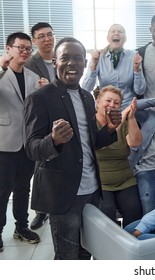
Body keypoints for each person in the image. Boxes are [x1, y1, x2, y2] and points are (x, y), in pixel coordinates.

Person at [24, 37, 121, 260]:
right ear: (54, 62)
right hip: (63, 194)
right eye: (65, 58)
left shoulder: (87, 97)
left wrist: (110, 129)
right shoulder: (39, 98)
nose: (72, 63)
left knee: (88, 251)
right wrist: (54, 140)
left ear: (85, 63)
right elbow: (31, 149)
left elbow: (90, 143)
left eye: (78, 58)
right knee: (67, 256)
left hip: (92, 190)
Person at [0, 32, 43, 253]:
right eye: (20, 47)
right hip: (5, 143)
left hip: (28, 143)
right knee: (2, 189)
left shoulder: (33, 77)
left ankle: (22, 227)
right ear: (9, 49)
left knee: (23, 189)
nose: (25, 51)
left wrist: (46, 89)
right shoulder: (1, 74)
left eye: (28, 48)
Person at [95, 85, 143, 228]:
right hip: (100, 182)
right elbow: (99, 143)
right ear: (98, 102)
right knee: (106, 213)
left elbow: (135, 143)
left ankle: (131, 247)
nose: (112, 105)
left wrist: (131, 117)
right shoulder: (90, 122)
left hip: (125, 179)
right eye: (108, 101)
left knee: (134, 211)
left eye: (116, 103)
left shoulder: (125, 122)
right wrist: (120, 119)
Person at [25, 22, 56, 230]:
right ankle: (40, 211)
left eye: (49, 35)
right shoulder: (29, 63)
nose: (47, 39)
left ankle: (56, 205)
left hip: (64, 118)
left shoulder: (62, 56)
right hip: (41, 121)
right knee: (40, 168)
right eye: (41, 36)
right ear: (34, 40)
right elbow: (26, 94)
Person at [82, 23, 146, 110]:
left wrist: (137, 69)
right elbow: (86, 89)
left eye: (120, 31)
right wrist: (93, 66)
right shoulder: (99, 56)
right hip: (105, 108)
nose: (116, 33)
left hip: (127, 108)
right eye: (113, 31)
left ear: (125, 39)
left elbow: (140, 91)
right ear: (108, 38)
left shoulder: (133, 55)